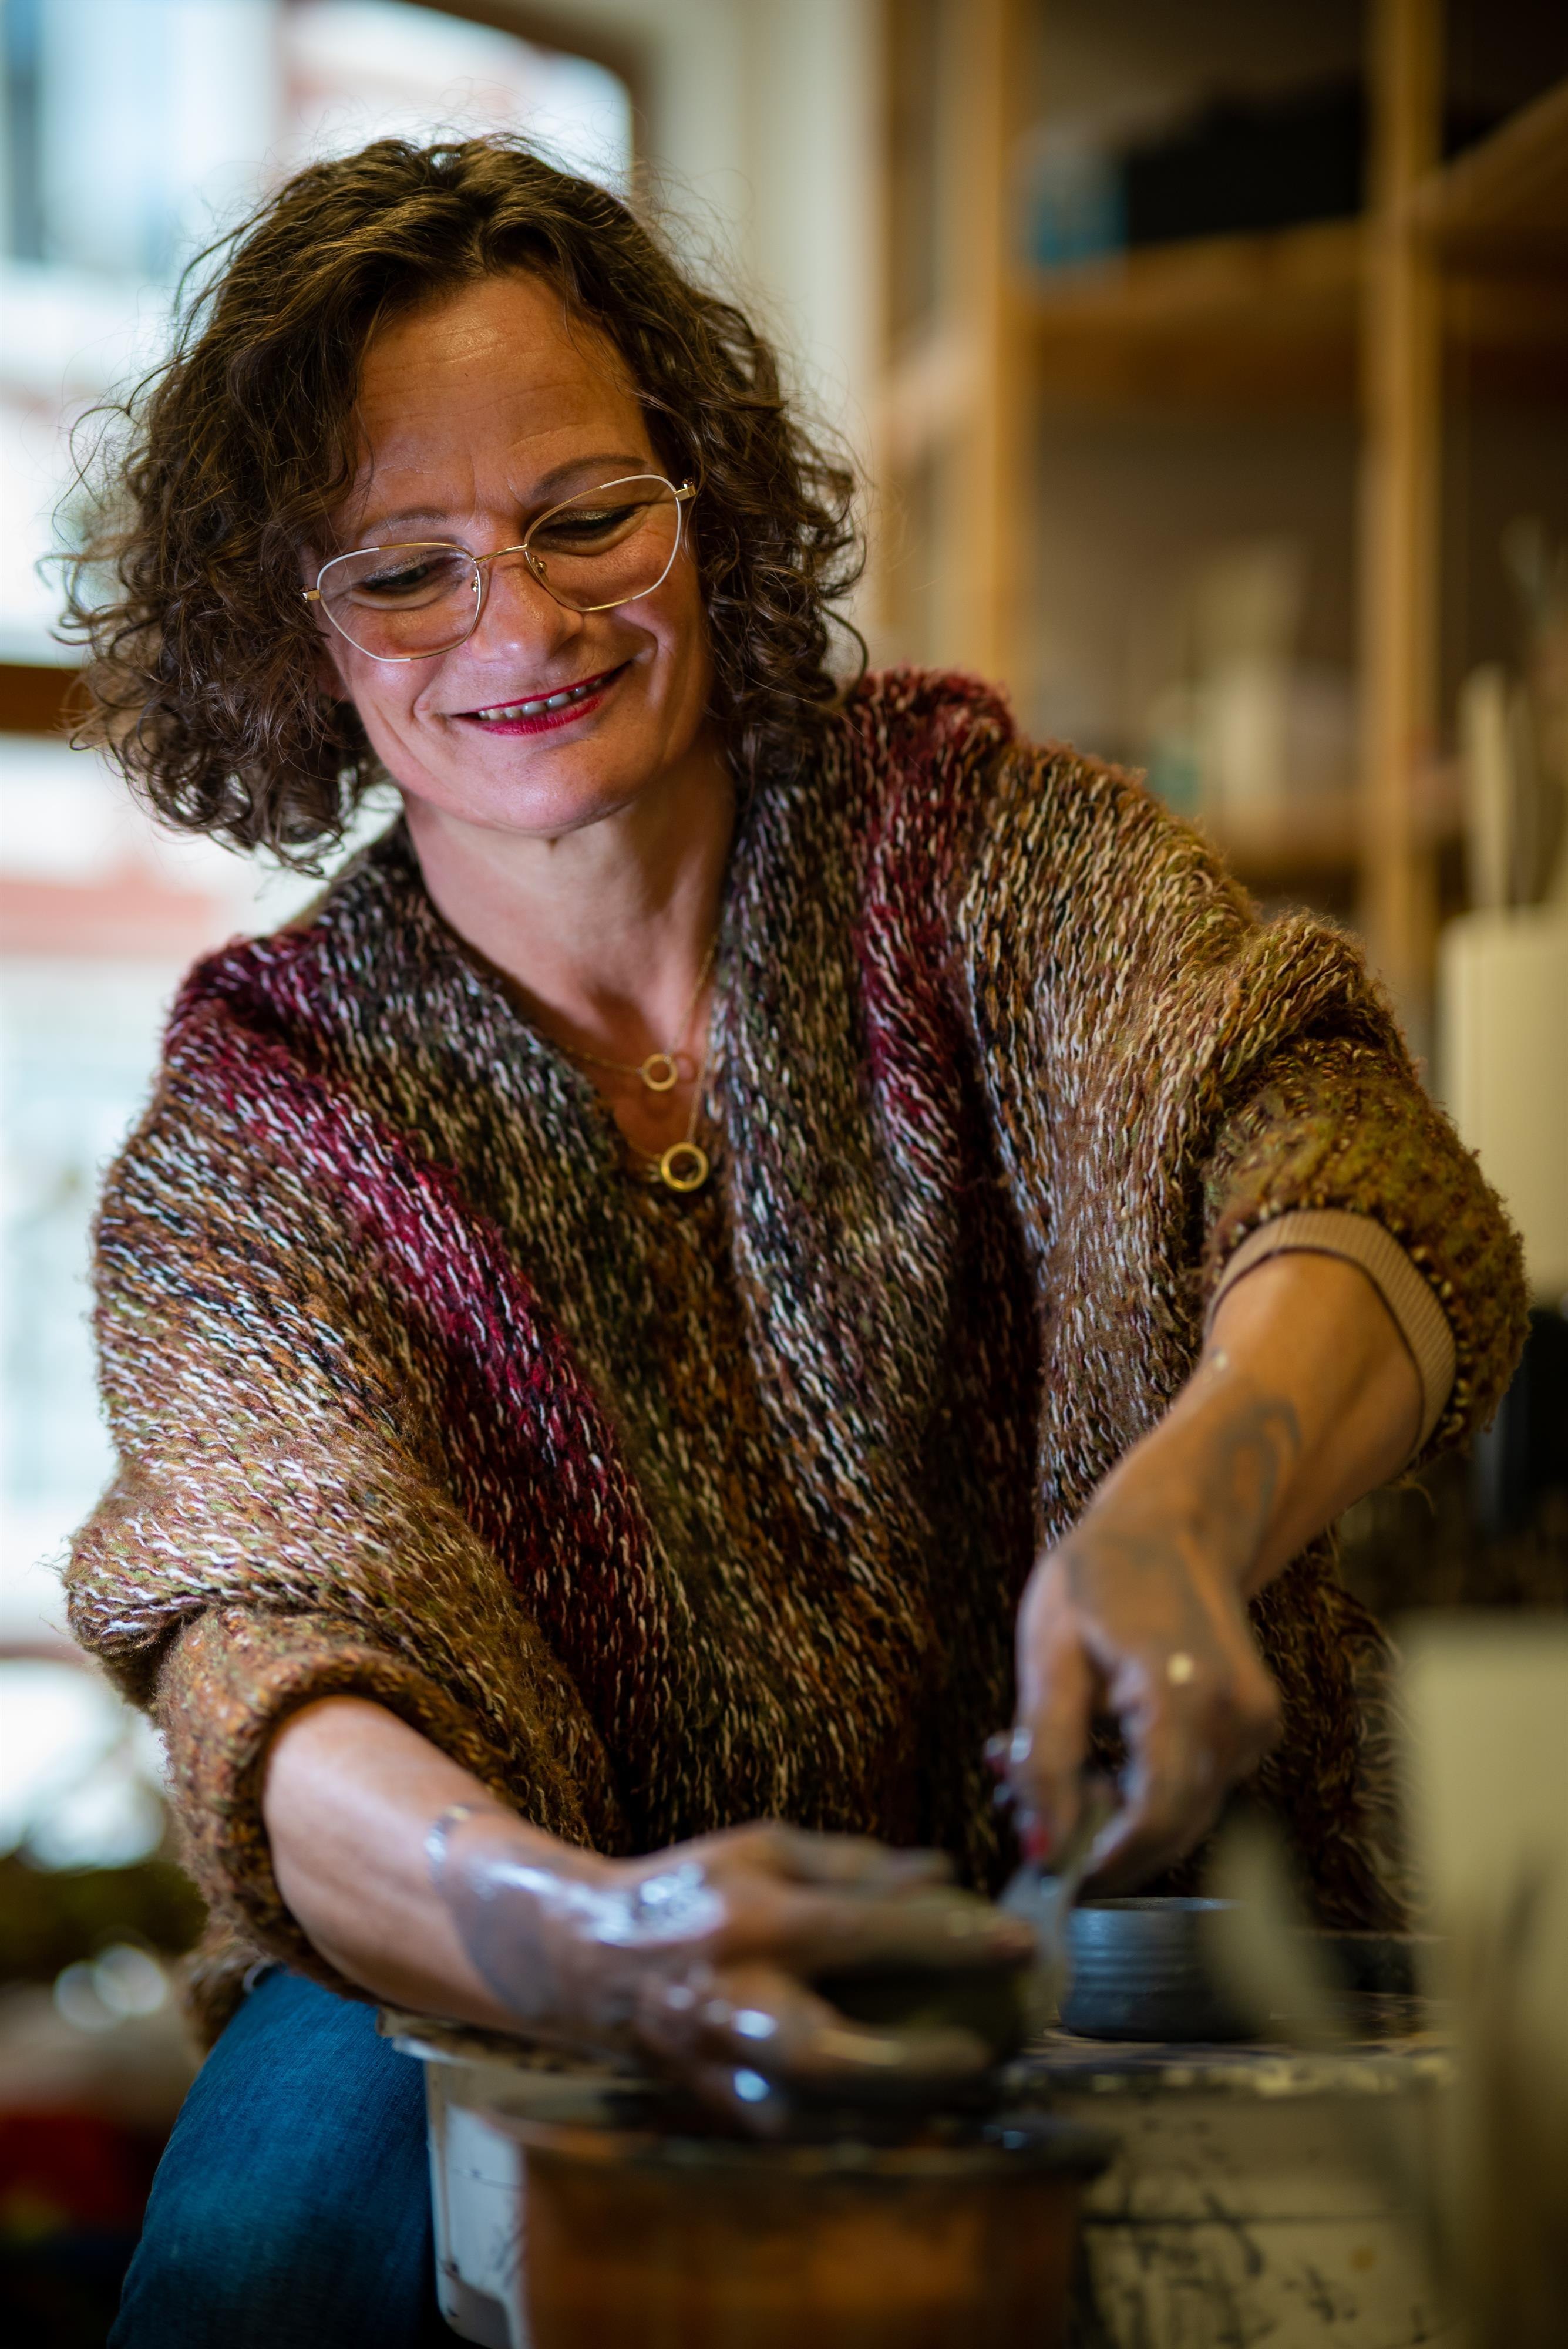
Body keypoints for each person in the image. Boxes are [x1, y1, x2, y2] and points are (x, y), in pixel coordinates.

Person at [62, 138, 1522, 2347]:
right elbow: (273, 1666)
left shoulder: (984, 853)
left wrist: (1193, 1506)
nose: (524, 627)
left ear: (703, 502)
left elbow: (1335, 1151)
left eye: (586, 518)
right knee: (268, 2247)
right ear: (296, 633)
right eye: (408, 571)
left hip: (1112, 1927)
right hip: (498, 1973)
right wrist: (592, 1941)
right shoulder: (263, 1125)